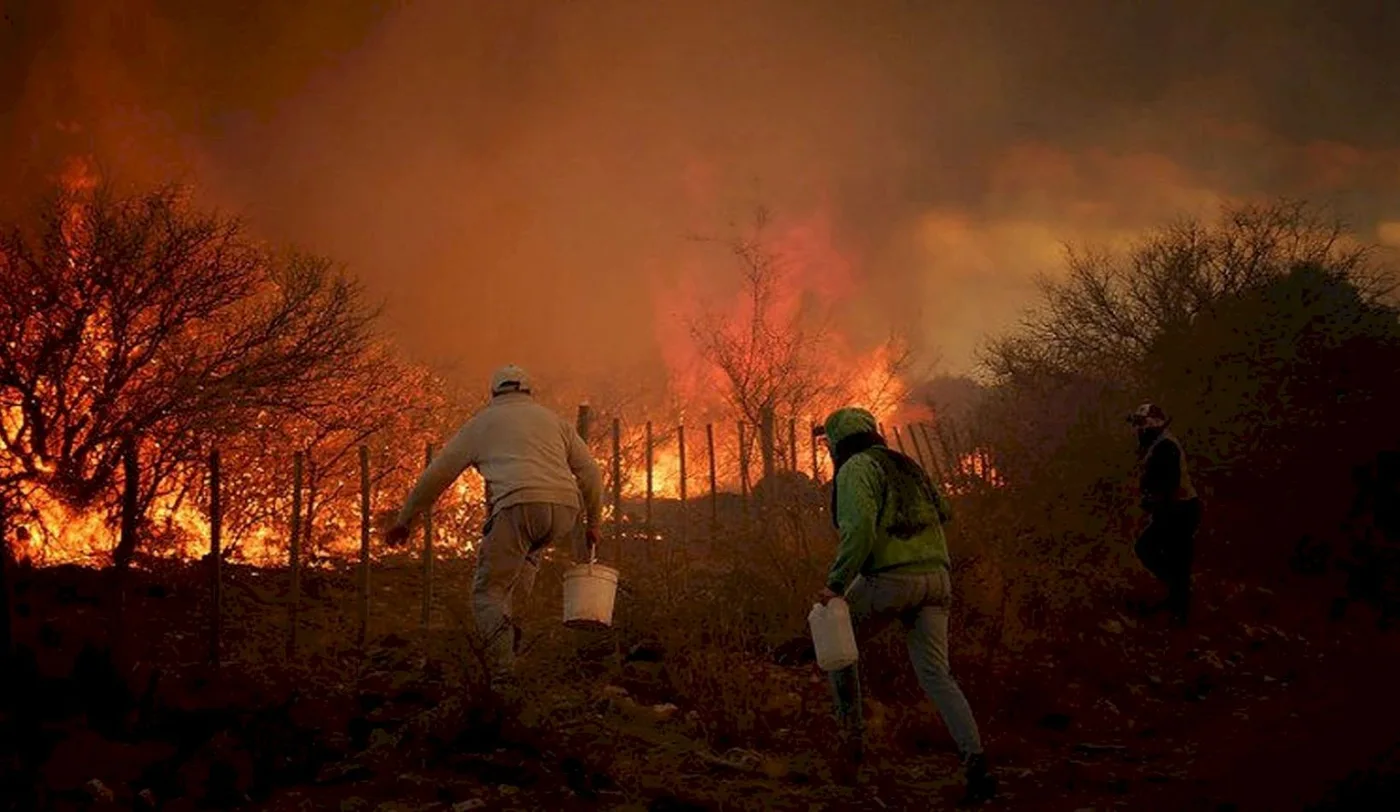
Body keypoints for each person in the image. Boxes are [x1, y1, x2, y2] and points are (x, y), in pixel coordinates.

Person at [814, 407, 997, 805]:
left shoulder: (855, 469)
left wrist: (835, 585)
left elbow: (858, 528)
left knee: (837, 645)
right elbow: (944, 510)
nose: (828, 448)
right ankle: (976, 763)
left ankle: (851, 747)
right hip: (937, 580)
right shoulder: (905, 464)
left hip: (891, 579)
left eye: (828, 441)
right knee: (937, 675)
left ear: (838, 440)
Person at [386, 364, 603, 687]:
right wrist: (593, 523)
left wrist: (406, 519)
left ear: (493, 394)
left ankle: (502, 676)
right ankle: (518, 642)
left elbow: (438, 475)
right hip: (563, 511)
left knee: (487, 593)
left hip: (517, 507)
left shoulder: (481, 424)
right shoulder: (553, 421)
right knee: (518, 576)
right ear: (529, 392)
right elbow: (590, 473)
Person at [1128, 402, 1203, 626]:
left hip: (1179, 510)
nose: (1137, 430)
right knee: (1173, 557)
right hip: (1180, 508)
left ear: (1150, 425)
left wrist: (1154, 506)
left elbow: (1167, 485)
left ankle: (1180, 604)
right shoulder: (1160, 443)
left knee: (1149, 549)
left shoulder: (1164, 447)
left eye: (1141, 424)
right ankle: (1178, 599)